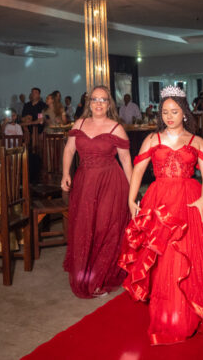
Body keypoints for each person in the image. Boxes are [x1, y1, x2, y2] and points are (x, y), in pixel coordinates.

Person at [119, 85, 203, 345]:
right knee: (163, 256)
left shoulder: (196, 141)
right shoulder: (152, 139)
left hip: (189, 201)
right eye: (165, 112)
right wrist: (131, 198)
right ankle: (166, 312)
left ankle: (187, 313)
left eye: (175, 111)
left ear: (184, 113)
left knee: (186, 256)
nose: (169, 116)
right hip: (159, 201)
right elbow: (138, 170)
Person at [61, 86, 132, 298]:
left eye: (103, 100)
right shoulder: (79, 124)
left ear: (109, 104)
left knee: (104, 228)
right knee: (84, 227)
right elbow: (69, 150)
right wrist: (65, 173)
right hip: (84, 183)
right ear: (89, 103)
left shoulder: (116, 128)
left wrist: (132, 192)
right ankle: (86, 273)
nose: (99, 103)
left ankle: (99, 278)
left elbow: (126, 160)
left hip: (110, 183)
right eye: (94, 99)